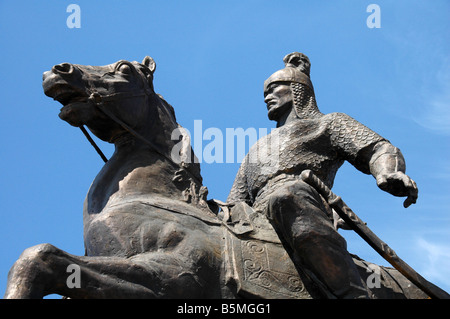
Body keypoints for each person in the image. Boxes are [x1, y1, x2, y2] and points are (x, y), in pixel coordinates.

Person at [226, 52, 418, 299]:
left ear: (297, 90)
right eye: (265, 91)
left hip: (300, 203)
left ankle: (353, 294)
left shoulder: (328, 124)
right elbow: (234, 202)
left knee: (286, 194)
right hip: (257, 218)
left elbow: (379, 149)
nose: (266, 96)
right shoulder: (256, 149)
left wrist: (388, 172)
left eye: (274, 88)